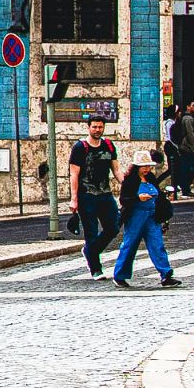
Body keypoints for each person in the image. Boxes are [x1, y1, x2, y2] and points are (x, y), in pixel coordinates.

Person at [113, 150, 181, 288]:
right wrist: (138, 198)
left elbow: (160, 197)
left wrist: (164, 215)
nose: (147, 169)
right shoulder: (130, 180)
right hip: (135, 216)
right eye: (144, 166)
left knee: (157, 244)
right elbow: (124, 200)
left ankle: (166, 275)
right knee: (129, 244)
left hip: (151, 216)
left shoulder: (150, 178)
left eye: (148, 166)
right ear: (137, 166)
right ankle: (119, 275)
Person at [69, 117, 122, 279]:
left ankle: (90, 251)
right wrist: (74, 199)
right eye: (94, 127)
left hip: (105, 194)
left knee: (113, 227)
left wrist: (128, 187)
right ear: (88, 128)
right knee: (91, 232)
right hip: (87, 196)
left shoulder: (108, 145)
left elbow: (117, 170)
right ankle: (95, 269)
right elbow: (74, 174)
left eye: (100, 127)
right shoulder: (80, 147)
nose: (97, 130)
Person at [176, 101, 194, 197]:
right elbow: (190, 134)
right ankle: (185, 188)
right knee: (190, 168)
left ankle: (185, 187)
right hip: (187, 147)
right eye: (193, 105)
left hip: (188, 147)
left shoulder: (190, 118)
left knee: (189, 168)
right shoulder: (188, 119)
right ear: (188, 107)